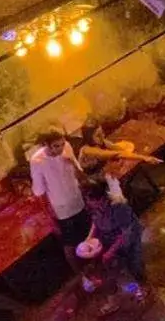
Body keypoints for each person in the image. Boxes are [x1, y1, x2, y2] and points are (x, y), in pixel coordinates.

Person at [29, 129, 92, 269]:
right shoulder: (37, 161)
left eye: (62, 144)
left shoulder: (67, 147)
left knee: (89, 234)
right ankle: (80, 274)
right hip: (61, 209)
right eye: (56, 146)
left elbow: (80, 174)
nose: (61, 148)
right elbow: (39, 192)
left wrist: (73, 164)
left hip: (77, 200)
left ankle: (95, 265)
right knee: (70, 243)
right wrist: (49, 217)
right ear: (46, 145)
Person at [84, 174, 147, 302]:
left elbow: (125, 233)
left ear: (101, 198)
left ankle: (144, 288)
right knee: (118, 268)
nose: (88, 202)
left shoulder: (118, 206)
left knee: (134, 264)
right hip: (110, 237)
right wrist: (89, 238)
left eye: (91, 199)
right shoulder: (93, 206)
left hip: (129, 237)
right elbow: (95, 220)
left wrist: (110, 251)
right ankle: (131, 289)